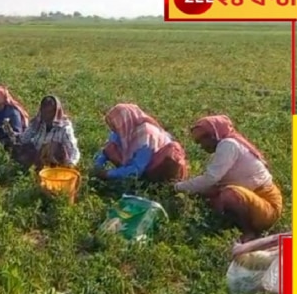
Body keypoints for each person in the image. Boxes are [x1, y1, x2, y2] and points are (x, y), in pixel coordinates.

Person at [174, 115, 283, 243]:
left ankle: (249, 232)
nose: (201, 146)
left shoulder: (228, 145)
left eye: (201, 141)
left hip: (268, 207)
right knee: (210, 195)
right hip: (254, 199)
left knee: (229, 195)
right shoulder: (228, 144)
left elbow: (210, 178)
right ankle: (230, 224)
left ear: (212, 135)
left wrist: (178, 187)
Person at [93, 103, 188, 183]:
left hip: (156, 166)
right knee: (111, 149)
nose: (113, 130)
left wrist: (107, 174)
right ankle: (123, 171)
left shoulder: (146, 137)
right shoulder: (124, 129)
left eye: (114, 126)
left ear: (124, 122)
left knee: (139, 175)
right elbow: (108, 148)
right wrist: (97, 165)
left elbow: (136, 170)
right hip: (140, 163)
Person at [10, 95, 80, 170]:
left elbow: (73, 149)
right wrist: (14, 138)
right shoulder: (37, 122)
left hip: (55, 160)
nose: (47, 115)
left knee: (51, 146)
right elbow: (24, 138)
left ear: (55, 112)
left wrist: (71, 164)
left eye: (50, 112)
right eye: (44, 112)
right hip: (37, 156)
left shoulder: (64, 128)